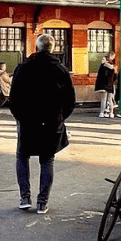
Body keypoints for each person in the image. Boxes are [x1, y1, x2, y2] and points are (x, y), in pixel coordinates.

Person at [9, 33, 75, 215]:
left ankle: (24, 197)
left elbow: (13, 97)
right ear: (53, 48)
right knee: (47, 160)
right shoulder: (61, 69)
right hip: (52, 122)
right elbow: (70, 100)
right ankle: (42, 203)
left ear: (37, 47)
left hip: (28, 120)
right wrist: (60, 117)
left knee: (22, 156)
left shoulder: (23, 68)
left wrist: (19, 117)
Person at [95, 51, 118, 118]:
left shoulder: (103, 66)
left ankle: (101, 113)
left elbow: (102, 75)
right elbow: (115, 77)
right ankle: (111, 113)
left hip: (103, 84)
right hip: (110, 84)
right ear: (112, 56)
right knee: (110, 100)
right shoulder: (114, 67)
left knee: (103, 99)